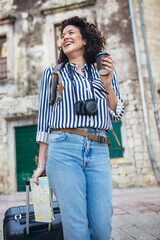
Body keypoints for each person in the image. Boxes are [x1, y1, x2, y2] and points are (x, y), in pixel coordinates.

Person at [33, 16, 124, 240]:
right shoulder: (52, 74)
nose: (65, 37)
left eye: (71, 33)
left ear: (85, 39)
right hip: (63, 149)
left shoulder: (104, 72)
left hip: (99, 149)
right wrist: (41, 164)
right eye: (63, 35)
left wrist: (107, 84)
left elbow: (117, 112)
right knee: (77, 228)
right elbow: (44, 120)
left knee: (103, 227)